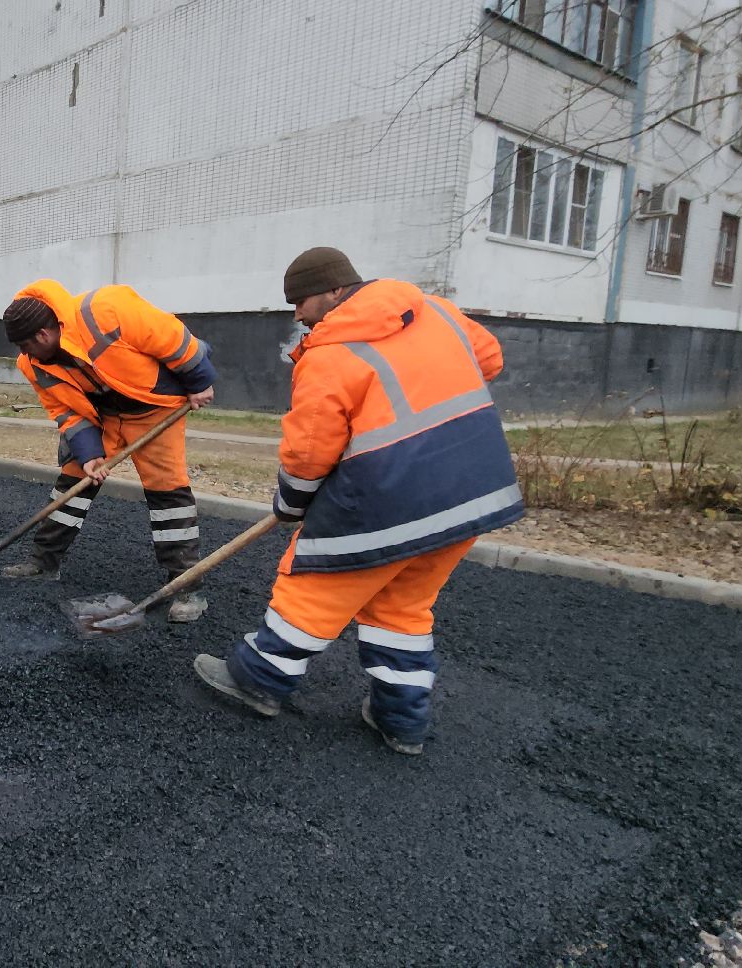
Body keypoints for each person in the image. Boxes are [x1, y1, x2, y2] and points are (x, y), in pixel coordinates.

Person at [192, 246, 523, 755]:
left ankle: (256, 680)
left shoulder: (331, 354)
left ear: (333, 291)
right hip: (472, 489)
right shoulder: (434, 310)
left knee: (314, 585)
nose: (297, 314)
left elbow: (308, 454)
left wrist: (291, 502)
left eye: (300, 302)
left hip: (391, 496)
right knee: (403, 607)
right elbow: (490, 358)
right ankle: (401, 720)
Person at [0, 280, 217, 623]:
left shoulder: (105, 310)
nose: (25, 355)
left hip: (153, 409)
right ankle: (43, 562)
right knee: (72, 485)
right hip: (101, 417)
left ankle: (185, 585)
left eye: (27, 345)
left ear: (43, 335)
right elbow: (65, 411)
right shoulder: (33, 365)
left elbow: (173, 338)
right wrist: (88, 454)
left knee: (168, 493)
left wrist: (199, 382)